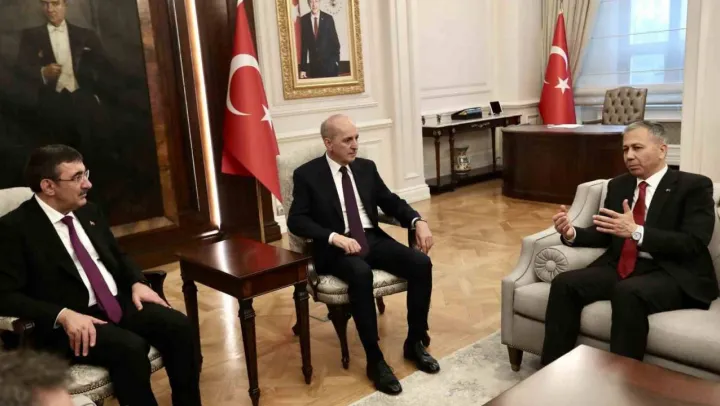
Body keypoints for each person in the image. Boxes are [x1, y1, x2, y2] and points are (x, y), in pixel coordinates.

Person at [0, 145, 202, 406]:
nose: (88, 184)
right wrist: (62, 314)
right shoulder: (14, 229)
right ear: (48, 186)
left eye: (85, 174)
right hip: (69, 323)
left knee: (180, 328)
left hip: (114, 302)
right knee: (130, 349)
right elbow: (5, 296)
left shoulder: (89, 211)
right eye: (77, 178)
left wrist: (137, 281)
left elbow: (118, 254)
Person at [541, 120, 717, 365]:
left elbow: (694, 242)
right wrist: (572, 233)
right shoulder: (619, 185)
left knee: (628, 292)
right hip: (625, 265)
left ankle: (623, 381)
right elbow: (607, 232)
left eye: (637, 148)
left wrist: (637, 232)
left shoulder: (694, 186)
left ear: (662, 150)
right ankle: (552, 370)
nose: (629, 156)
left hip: (673, 271)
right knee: (564, 283)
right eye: (625, 149)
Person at [287, 114, 439, 395]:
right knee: (360, 273)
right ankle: (375, 359)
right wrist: (333, 237)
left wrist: (418, 220)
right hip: (336, 247)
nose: (355, 145)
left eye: (356, 138)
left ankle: (415, 342)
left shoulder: (366, 168)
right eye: (347, 140)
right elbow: (296, 220)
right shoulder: (307, 175)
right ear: (328, 143)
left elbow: (390, 201)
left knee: (421, 263)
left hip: (371, 238)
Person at [14, 0, 112, 155]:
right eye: (45, 4)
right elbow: (20, 69)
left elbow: (104, 68)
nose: (50, 9)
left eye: (55, 3)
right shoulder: (31, 36)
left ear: (65, 4)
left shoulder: (86, 35)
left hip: (82, 100)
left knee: (89, 151)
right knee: (56, 155)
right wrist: (42, 72)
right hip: (50, 103)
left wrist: (96, 95)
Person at [299, 0, 340, 79]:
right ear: (308, 3)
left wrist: (336, 63)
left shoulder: (328, 19)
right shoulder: (304, 20)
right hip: (314, 68)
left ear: (320, 2)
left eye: (316, 1)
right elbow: (304, 47)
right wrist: (303, 69)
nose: (314, 5)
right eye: (311, 2)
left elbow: (336, 44)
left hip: (330, 67)